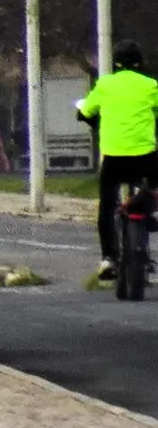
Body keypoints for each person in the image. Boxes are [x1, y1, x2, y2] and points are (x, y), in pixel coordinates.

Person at [78, 41, 158, 287]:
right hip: (145, 156)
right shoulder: (151, 85)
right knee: (154, 188)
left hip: (114, 157)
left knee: (107, 203)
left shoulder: (105, 84)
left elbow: (87, 110)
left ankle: (108, 258)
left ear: (115, 64)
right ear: (140, 63)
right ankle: (147, 209)